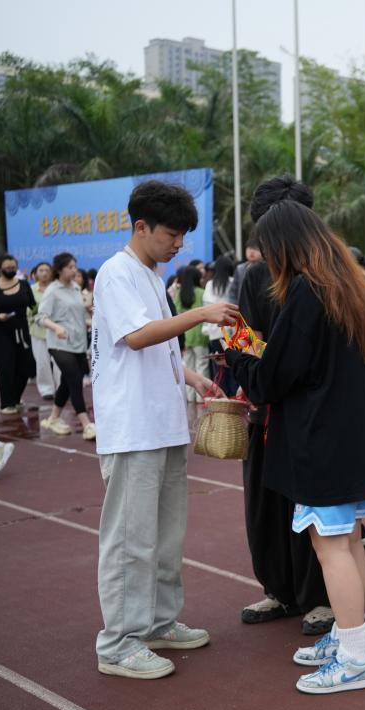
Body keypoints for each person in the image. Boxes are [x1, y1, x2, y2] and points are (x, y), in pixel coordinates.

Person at [228, 181, 365, 694]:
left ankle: (355, 658)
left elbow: (273, 377)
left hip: (321, 439)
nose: (264, 260)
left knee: (331, 547)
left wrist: (238, 354)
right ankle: (345, 637)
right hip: (350, 436)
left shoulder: (307, 291)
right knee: (348, 540)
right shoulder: (348, 283)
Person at [91, 179, 239, 680]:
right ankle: (118, 643)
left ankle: (157, 622)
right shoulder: (116, 273)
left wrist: (191, 377)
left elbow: (158, 346)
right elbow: (135, 337)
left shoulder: (151, 277)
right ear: (141, 226)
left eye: (182, 236)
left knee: (165, 535)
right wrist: (200, 314)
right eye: (171, 234)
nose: (178, 244)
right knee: (130, 539)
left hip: (164, 423)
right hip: (134, 427)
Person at [234, 178, 334, 637]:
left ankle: (322, 597)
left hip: (312, 414)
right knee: (266, 505)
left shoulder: (326, 279)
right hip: (267, 409)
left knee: (316, 509)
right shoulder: (255, 277)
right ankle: (278, 589)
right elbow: (246, 336)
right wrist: (244, 360)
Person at [36, 252, 95, 439]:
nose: (74, 270)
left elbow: (77, 316)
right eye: (70, 267)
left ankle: (53, 418)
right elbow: (40, 317)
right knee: (75, 379)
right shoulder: (53, 290)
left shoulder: (76, 288)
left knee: (66, 382)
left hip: (78, 343)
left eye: (75, 266)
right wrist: (56, 327)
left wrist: (91, 321)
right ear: (60, 270)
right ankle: (86, 424)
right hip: (59, 344)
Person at [0, 253, 36, 413]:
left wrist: (38, 314)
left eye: (13, 267)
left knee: (27, 367)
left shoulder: (24, 285)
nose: (11, 270)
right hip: (2, 333)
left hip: (22, 331)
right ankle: (7, 403)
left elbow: (33, 305)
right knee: (5, 368)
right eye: (7, 268)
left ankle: (16, 398)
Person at [169, 264, 210, 402]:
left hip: (186, 336)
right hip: (200, 336)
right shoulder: (201, 292)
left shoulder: (180, 294)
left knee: (188, 367)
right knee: (202, 366)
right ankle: (202, 398)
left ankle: (190, 398)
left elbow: (176, 312)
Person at [202, 254, 239, 397]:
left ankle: (222, 398)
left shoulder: (210, 285)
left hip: (214, 331)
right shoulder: (233, 281)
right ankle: (234, 398)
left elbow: (206, 306)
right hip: (232, 332)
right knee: (234, 365)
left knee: (218, 368)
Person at [28, 260, 58, 400]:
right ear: (35, 273)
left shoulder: (56, 288)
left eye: (47, 270)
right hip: (38, 331)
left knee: (60, 362)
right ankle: (46, 389)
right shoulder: (30, 290)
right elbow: (28, 311)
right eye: (41, 270)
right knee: (42, 362)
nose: (44, 273)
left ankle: (62, 389)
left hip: (56, 330)